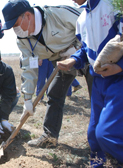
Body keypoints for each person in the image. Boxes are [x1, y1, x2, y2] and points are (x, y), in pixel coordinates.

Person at [1, 0, 93, 148]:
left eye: (15, 24)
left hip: (88, 54)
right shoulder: (23, 40)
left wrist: (78, 47)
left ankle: (101, 141)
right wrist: (27, 98)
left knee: (97, 95)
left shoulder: (58, 14)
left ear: (27, 16)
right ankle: (49, 137)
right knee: (54, 95)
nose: (15, 29)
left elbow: (90, 25)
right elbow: (28, 68)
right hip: (60, 62)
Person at [57, 0, 123, 165]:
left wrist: (120, 67)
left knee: (106, 134)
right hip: (98, 82)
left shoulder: (113, 6)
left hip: (118, 80)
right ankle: (98, 164)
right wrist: (73, 59)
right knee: (93, 135)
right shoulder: (82, 19)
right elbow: (86, 50)